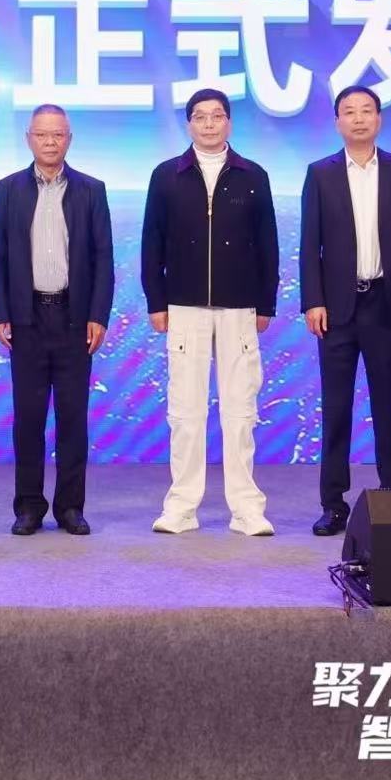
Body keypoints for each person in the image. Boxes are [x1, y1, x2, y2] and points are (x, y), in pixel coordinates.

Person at [140, 88, 279, 537]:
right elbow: (151, 243)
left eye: (217, 116)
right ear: (189, 124)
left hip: (240, 307)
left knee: (240, 411)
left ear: (229, 122)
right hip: (183, 306)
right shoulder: (167, 175)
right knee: (185, 412)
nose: (209, 124)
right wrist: (156, 302)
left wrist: (266, 303)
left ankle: (247, 509)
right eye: (200, 117)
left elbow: (268, 246)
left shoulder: (253, 175)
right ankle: (181, 507)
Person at [298, 85, 391, 538]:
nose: (358, 119)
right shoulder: (321, 173)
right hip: (336, 309)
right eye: (349, 112)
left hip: (386, 304)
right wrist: (313, 301)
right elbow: (309, 244)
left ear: (379, 119)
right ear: (337, 122)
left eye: (366, 111)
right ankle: (333, 504)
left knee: (388, 407)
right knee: (336, 409)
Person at [0, 105, 115, 537]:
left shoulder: (91, 190)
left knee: (72, 419)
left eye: (57, 135)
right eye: (42, 135)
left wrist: (98, 315)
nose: (50, 142)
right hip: (27, 319)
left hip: (74, 319)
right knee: (28, 419)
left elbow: (103, 259)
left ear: (69, 140)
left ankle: (70, 507)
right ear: (29, 138)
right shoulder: (8, 190)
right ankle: (28, 506)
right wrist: (1, 314)